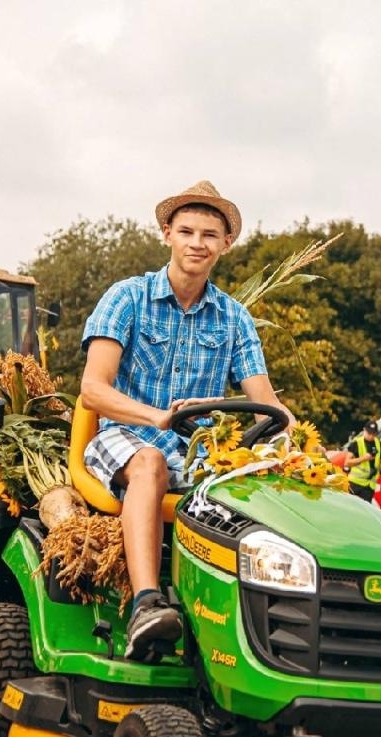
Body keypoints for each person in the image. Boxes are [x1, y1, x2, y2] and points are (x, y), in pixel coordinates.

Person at [80, 181, 288, 659]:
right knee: (150, 460)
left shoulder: (235, 319)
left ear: (226, 244)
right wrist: (157, 417)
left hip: (197, 454)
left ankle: (244, 627)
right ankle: (146, 605)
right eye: (188, 231)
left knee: (256, 492)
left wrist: (297, 445)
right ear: (167, 234)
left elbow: (267, 402)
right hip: (124, 437)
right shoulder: (126, 298)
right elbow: (93, 390)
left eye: (210, 235)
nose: (198, 242)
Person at [346, 420, 381, 502]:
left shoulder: (379, 444)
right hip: (354, 484)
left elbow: (379, 468)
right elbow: (347, 463)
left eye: (373, 434)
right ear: (364, 430)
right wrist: (363, 458)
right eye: (369, 433)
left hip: (369, 486)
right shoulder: (356, 443)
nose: (371, 436)